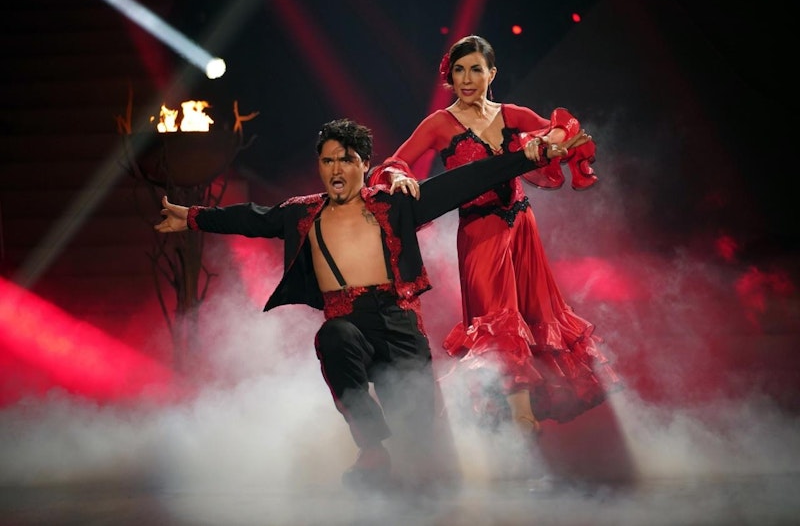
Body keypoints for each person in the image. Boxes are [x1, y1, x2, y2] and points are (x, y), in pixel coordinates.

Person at [154, 118, 576, 490]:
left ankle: (431, 469)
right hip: (349, 323)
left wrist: (530, 156)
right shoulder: (302, 214)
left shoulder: (395, 203)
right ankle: (372, 447)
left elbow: (464, 182)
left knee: (425, 458)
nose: (335, 169)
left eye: (346, 160)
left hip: (400, 324)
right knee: (332, 337)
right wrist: (191, 216)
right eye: (327, 161)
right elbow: (250, 217)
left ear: (364, 164)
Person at [368, 35, 621, 446]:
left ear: (492, 74)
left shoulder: (510, 114)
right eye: (459, 70)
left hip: (521, 225)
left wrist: (547, 142)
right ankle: (520, 420)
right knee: (496, 319)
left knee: (534, 316)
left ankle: (525, 422)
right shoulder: (439, 123)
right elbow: (395, 161)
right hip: (479, 230)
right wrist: (398, 176)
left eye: (476, 70)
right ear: (450, 76)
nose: (467, 79)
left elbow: (564, 128)